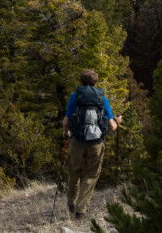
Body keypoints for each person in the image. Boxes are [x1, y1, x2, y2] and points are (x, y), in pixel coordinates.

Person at [62, 69, 123, 219]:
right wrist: (117, 120)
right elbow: (112, 127)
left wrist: (66, 132)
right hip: (96, 142)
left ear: (81, 83)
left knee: (74, 173)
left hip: (77, 140)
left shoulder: (74, 97)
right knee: (91, 174)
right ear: (96, 83)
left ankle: (71, 203)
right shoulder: (103, 99)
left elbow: (66, 121)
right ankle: (80, 209)